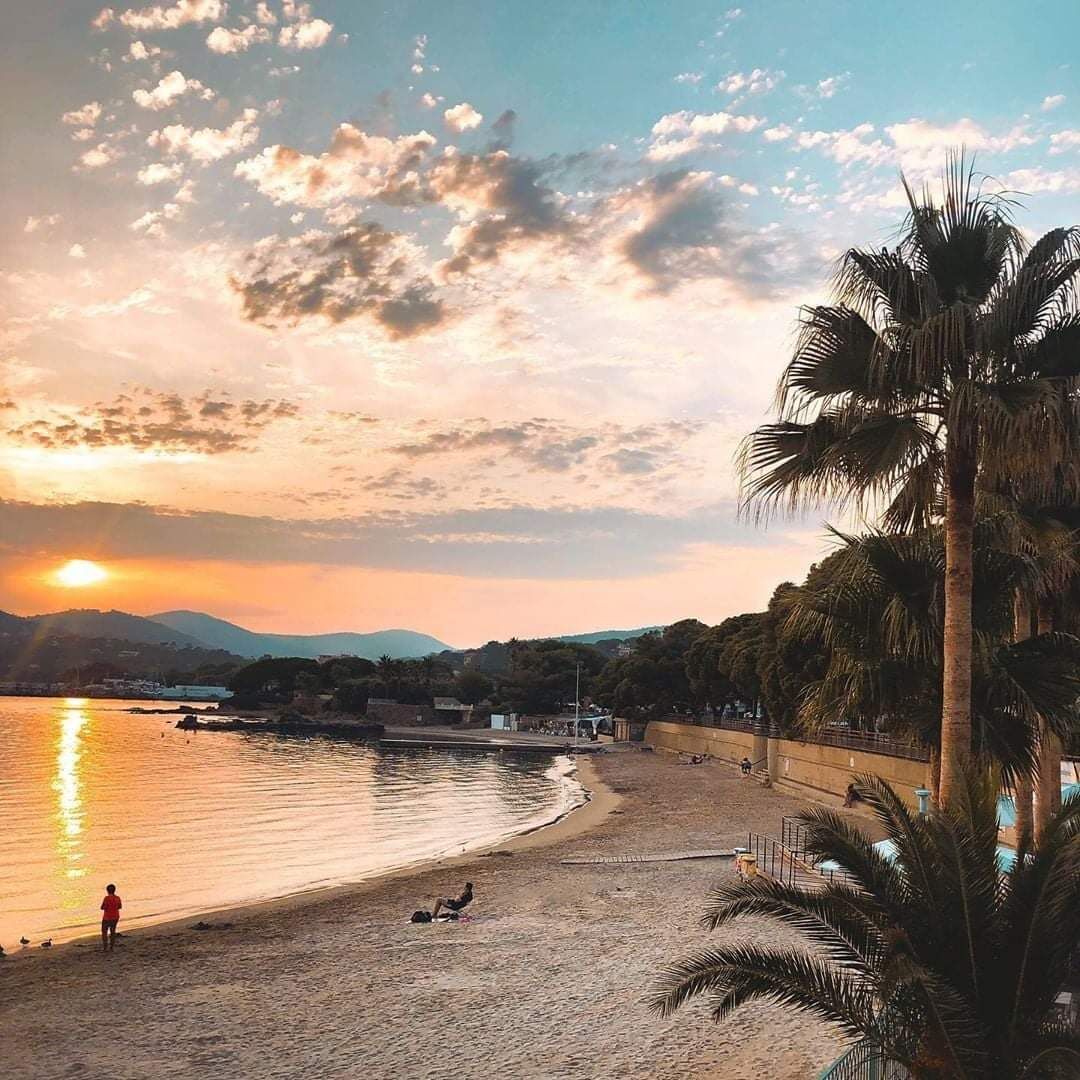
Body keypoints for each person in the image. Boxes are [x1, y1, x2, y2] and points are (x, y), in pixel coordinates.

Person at [100, 883, 122, 952]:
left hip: (107, 917)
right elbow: (120, 907)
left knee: (104, 932)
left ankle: (105, 948)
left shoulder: (106, 898)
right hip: (115, 916)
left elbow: (102, 907)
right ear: (114, 890)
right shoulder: (117, 898)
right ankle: (111, 948)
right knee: (112, 932)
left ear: (107, 891)